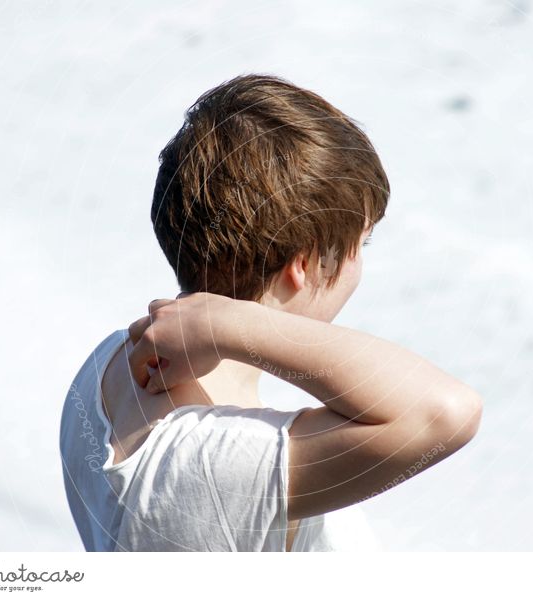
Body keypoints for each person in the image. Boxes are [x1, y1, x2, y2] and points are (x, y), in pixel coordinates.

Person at [59, 73, 483, 552]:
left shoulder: (110, 362)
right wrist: (227, 324)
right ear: (302, 264)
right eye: (358, 245)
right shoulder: (213, 460)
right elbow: (447, 412)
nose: (360, 265)